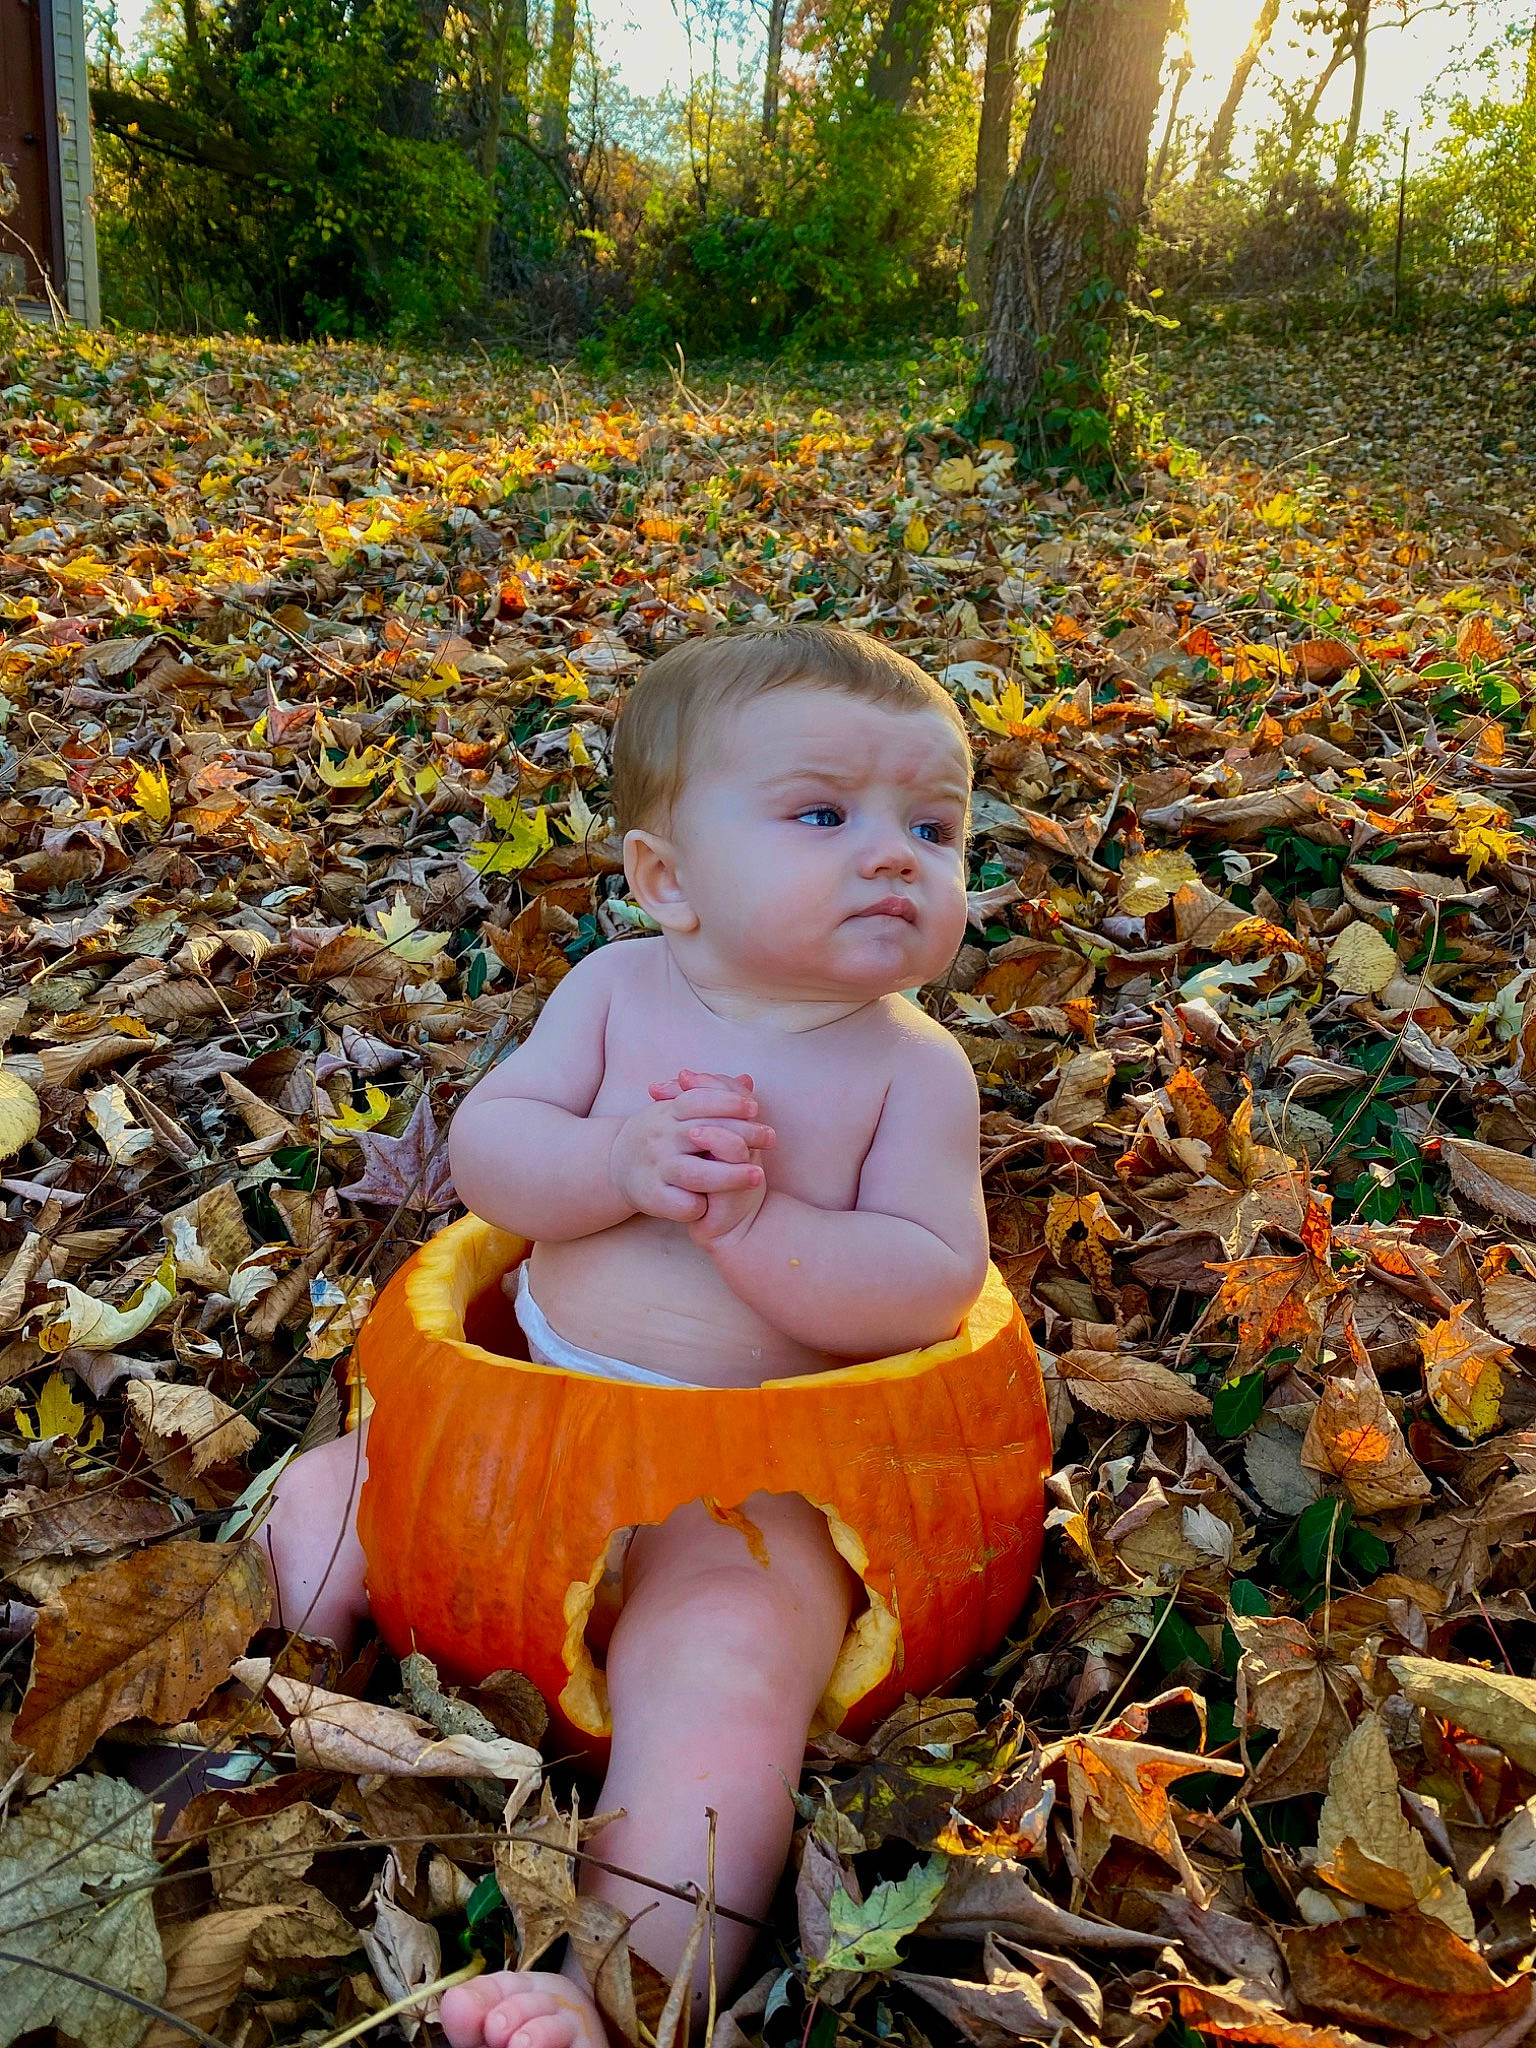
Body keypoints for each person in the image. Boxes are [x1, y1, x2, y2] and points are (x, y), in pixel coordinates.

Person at [259, 625, 990, 2048]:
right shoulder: (610, 995)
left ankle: (627, 1977)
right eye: (824, 815)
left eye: (935, 827)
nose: (894, 857)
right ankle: (286, 1697)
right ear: (667, 881)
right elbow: (495, 1158)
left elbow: (927, 1283)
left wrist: (759, 1228)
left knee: (725, 1690)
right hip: (507, 1437)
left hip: (751, 1504)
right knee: (329, 1492)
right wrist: (615, 1165)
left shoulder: (912, 1070)